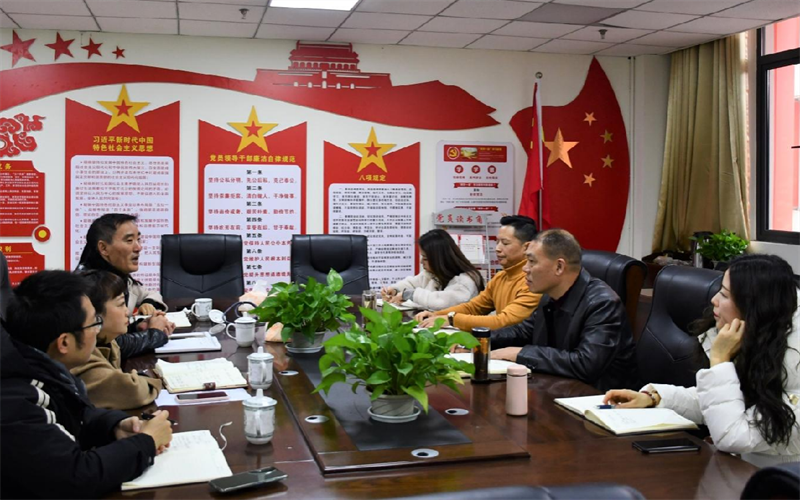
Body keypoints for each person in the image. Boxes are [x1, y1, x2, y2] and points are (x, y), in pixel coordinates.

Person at [605, 254, 800, 467]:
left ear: (754, 305)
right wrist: (655, 398)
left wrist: (720, 360)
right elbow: (726, 401)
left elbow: (733, 435)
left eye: (724, 295)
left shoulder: (794, 365)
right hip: (746, 472)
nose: (714, 300)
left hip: (781, 481)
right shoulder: (764, 337)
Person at [0, 270, 172, 499]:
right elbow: (76, 476)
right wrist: (146, 442)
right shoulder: (18, 398)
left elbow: (77, 414)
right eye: (94, 323)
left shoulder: (42, 366)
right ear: (64, 342)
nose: (98, 330)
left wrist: (116, 426)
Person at [489, 229, 638, 391]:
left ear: (559, 267)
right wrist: (479, 340)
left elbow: (586, 364)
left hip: (600, 398)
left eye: (531, 261)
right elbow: (523, 332)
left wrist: (520, 354)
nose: (525, 268)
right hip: (557, 389)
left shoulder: (603, 304)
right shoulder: (550, 295)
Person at [416, 215, 541, 331]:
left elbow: (504, 321)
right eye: (497, 242)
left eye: (505, 243)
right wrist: (437, 315)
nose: (497, 248)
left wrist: (452, 319)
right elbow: (474, 307)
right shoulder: (501, 277)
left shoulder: (533, 281)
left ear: (526, 247)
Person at [78, 213, 174, 358]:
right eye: (129, 241)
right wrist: (155, 333)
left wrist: (137, 326)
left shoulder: (117, 277)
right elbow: (109, 347)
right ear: (103, 248)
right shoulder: (89, 287)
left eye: (138, 239)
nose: (138, 247)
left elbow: (108, 336)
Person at [71, 270, 162, 410]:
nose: (127, 311)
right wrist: (151, 379)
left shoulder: (109, 341)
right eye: (121, 304)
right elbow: (133, 391)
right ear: (93, 314)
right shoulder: (82, 354)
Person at [381, 229, 484, 311]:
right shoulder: (432, 274)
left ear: (440, 259)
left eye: (425, 258)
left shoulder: (466, 281)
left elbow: (441, 301)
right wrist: (395, 290)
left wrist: (409, 294)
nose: (421, 262)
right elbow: (412, 283)